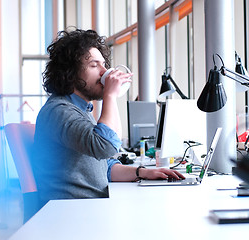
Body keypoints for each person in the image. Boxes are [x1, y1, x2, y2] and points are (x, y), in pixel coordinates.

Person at [33, 28, 184, 205]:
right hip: (72, 211)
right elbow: (106, 146)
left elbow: (105, 165)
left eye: (103, 64)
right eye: (94, 65)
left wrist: (141, 172)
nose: (104, 72)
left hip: (87, 207)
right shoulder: (59, 111)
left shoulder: (81, 110)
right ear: (71, 72)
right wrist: (110, 96)